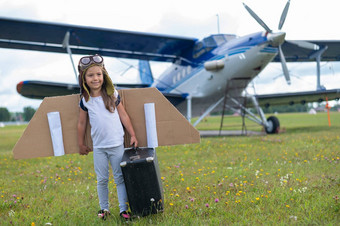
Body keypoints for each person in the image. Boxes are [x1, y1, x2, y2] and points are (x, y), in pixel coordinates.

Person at [77, 54, 138, 221]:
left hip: (116, 145)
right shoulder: (85, 100)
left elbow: (124, 116)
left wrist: (132, 134)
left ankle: (123, 210)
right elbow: (82, 124)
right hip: (99, 148)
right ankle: (104, 209)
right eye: (90, 75)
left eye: (99, 74)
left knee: (120, 178)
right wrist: (81, 144)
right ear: (84, 78)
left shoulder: (112, 95)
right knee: (102, 179)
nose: (95, 78)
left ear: (104, 76)